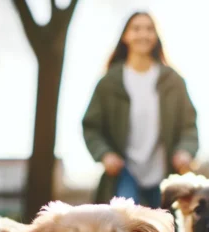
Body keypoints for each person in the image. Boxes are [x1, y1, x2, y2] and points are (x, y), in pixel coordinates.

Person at [82, 11, 199, 207]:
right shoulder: (109, 82)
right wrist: (105, 154)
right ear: (126, 36)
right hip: (124, 172)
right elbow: (91, 126)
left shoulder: (173, 81)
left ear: (156, 36)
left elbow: (189, 126)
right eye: (136, 29)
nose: (143, 34)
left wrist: (185, 151)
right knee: (127, 226)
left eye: (149, 29)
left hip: (164, 172)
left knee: (165, 231)